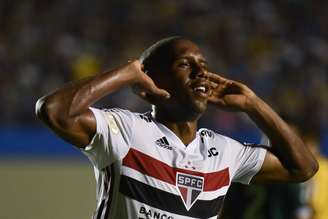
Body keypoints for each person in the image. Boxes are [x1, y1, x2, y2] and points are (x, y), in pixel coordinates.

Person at [35, 37, 318, 219]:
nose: (201, 73)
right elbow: (54, 110)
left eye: (203, 66)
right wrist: (128, 72)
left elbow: (303, 168)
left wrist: (253, 104)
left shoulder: (225, 152)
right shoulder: (124, 131)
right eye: (185, 64)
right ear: (151, 83)